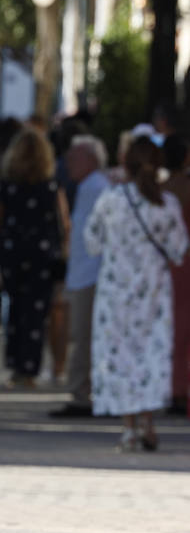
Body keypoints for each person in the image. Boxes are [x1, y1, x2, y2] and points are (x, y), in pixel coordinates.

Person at [84, 136, 188, 450]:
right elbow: (179, 249)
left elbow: (91, 242)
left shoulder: (110, 199)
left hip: (116, 292)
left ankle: (128, 427)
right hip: (153, 293)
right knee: (150, 356)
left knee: (119, 357)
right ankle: (147, 422)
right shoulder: (166, 204)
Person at [0, 127, 69, 387]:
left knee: (14, 308)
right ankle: (30, 368)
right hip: (42, 254)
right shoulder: (50, 186)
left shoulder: (6, 186)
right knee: (36, 312)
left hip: (13, 251)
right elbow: (63, 222)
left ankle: (16, 365)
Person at [50, 135, 111, 417]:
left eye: (75, 158)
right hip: (83, 274)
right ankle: (82, 390)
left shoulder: (98, 187)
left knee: (83, 336)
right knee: (81, 335)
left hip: (90, 275)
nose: (69, 164)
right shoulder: (88, 187)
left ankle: (81, 393)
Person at [161, 133, 190, 413]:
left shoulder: (161, 190)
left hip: (169, 264)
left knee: (173, 327)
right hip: (183, 259)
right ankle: (182, 388)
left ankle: (174, 387)